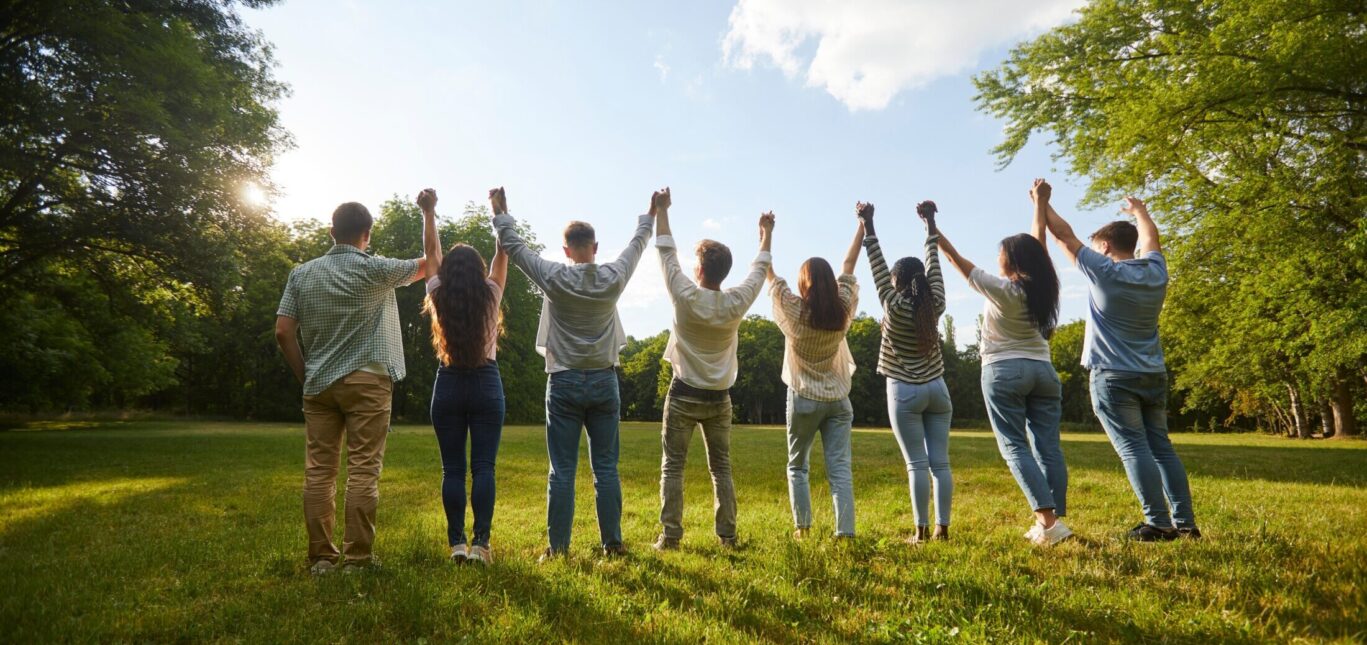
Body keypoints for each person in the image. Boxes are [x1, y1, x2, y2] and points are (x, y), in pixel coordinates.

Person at [492, 186, 654, 560]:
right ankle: (612, 545)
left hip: (563, 382)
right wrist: (651, 213)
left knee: (561, 470)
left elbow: (515, 248)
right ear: (594, 247)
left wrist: (501, 211)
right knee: (606, 469)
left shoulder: (554, 276)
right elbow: (638, 243)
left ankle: (559, 549)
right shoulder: (614, 276)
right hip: (603, 380)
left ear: (566, 250)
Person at [1036, 180, 1200, 541]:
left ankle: (1157, 523)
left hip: (1114, 377)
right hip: (1154, 374)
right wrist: (1139, 210)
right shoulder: (1156, 271)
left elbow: (1063, 236)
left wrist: (1042, 202)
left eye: (1097, 247)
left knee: (1134, 448)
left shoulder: (1105, 271)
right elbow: (1151, 238)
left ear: (1105, 247)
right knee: (1162, 447)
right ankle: (1185, 524)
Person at [275, 200, 431, 575]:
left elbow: (283, 332)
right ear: (368, 235)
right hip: (367, 382)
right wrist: (428, 214)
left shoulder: (301, 274)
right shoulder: (376, 269)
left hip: (318, 385)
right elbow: (432, 264)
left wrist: (306, 375)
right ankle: (357, 562)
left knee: (319, 472)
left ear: (331, 232)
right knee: (363, 470)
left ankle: (322, 560)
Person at [936, 181, 1071, 546]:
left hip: (1004, 370)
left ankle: (1049, 520)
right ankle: (1051, 523)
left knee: (1014, 446)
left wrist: (933, 231)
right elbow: (1038, 244)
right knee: (1049, 447)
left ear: (1011, 261)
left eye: (1002, 254)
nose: (998, 257)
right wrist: (1040, 204)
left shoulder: (1004, 289)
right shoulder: (1045, 287)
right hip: (1043, 372)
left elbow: (958, 262)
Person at [650, 187, 774, 551]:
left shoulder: (684, 296)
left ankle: (670, 537)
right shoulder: (736, 302)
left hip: (684, 393)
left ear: (700, 269)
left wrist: (662, 210)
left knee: (673, 466)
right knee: (721, 468)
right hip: (719, 399)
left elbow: (665, 252)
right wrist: (766, 233)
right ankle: (728, 537)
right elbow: (760, 268)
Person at [418, 188, 509, 566]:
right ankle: (481, 546)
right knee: (483, 467)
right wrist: (500, 210)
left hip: (449, 382)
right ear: (478, 270)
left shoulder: (437, 292)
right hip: (487, 383)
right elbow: (503, 252)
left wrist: (429, 213)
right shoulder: (490, 293)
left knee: (452, 468)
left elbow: (431, 254)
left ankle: (457, 543)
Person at [857, 201, 952, 544]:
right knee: (940, 464)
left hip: (904, 392)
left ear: (896, 283)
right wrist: (929, 225)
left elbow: (875, 262)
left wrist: (868, 223)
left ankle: (920, 532)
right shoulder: (936, 302)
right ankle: (943, 529)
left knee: (916, 464)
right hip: (938, 390)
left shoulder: (892, 304)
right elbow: (934, 262)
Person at [768, 219, 862, 539]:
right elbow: (849, 264)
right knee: (840, 470)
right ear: (831, 284)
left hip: (804, 397)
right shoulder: (844, 309)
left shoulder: (795, 313)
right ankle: (845, 532)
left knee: (797, 466)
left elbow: (772, 278)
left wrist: (766, 234)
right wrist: (863, 225)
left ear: (804, 284)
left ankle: (803, 529)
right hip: (838, 399)